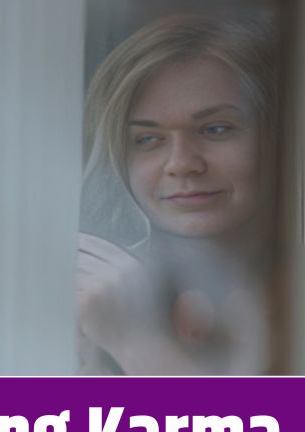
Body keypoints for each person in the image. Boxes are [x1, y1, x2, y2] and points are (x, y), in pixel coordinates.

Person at [77, 12, 279, 375]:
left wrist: (137, 345)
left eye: (216, 129)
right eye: (148, 139)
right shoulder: (95, 295)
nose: (182, 163)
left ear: (279, 136)